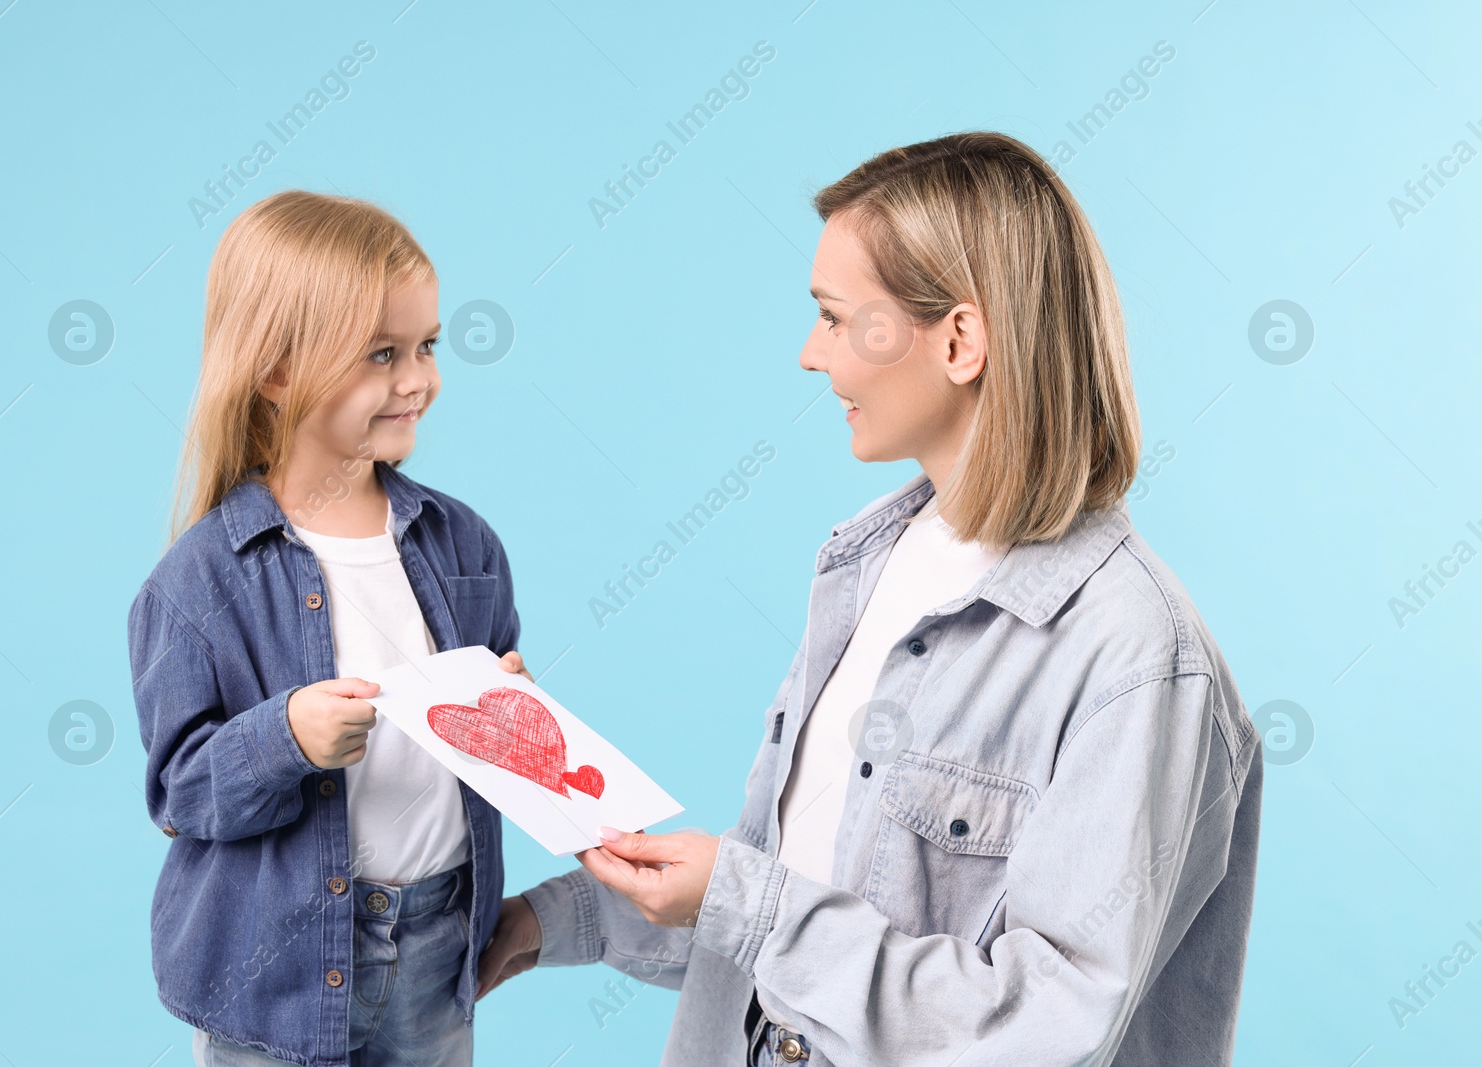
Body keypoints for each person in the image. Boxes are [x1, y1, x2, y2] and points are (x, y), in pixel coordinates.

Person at [480, 132, 1263, 1065]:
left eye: (838, 317)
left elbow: (1051, 1026)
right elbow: (794, 900)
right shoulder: (867, 563)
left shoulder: (1137, 658)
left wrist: (745, 899)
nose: (813, 354)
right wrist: (541, 923)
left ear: (960, 340)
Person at [127, 190, 525, 1067]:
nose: (419, 378)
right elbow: (179, 794)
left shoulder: (464, 543)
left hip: (437, 944)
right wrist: (287, 736)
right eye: (382, 353)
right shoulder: (198, 581)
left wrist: (510, 716)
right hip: (276, 970)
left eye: (426, 346)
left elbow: (484, 744)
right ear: (275, 372)